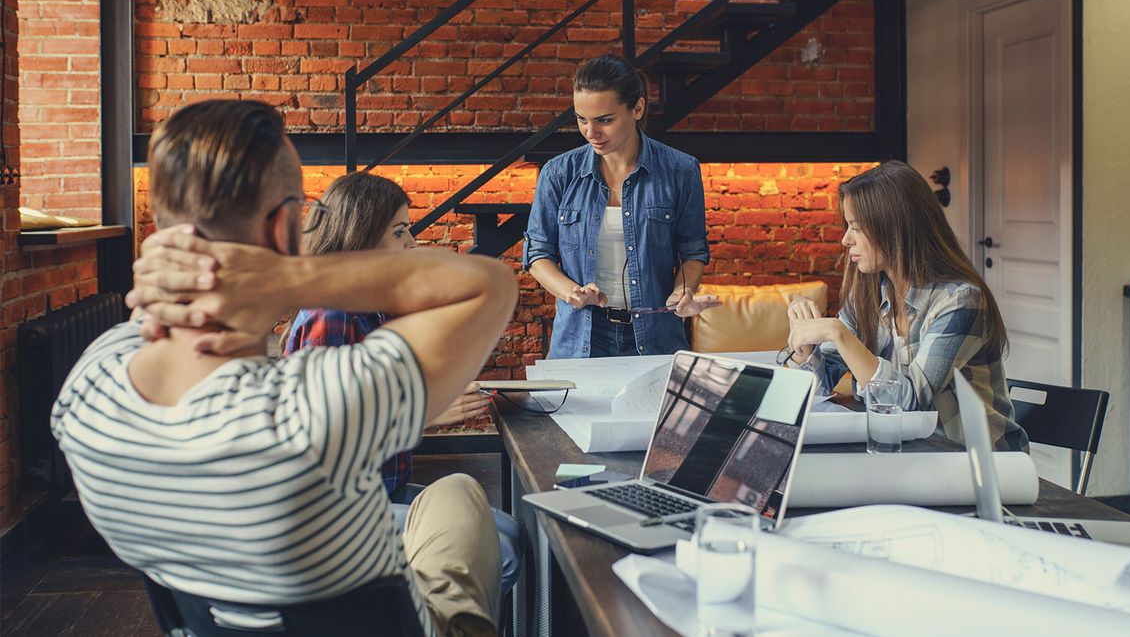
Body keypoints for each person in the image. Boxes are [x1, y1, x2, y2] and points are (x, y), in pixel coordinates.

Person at [51, 99, 518, 637]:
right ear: (283, 230)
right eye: (308, 212)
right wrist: (292, 276)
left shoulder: (89, 386)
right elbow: (488, 283)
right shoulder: (315, 409)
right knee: (461, 495)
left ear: (168, 233)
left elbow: (146, 319)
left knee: (451, 494)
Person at [281, 170, 523, 594]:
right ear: (361, 237)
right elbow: (326, 436)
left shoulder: (371, 308)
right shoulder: (333, 314)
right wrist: (426, 415)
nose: (412, 243)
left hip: (379, 492)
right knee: (499, 554)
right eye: (400, 231)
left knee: (510, 530)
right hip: (333, 512)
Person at [782, 160, 1028, 451]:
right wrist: (804, 351)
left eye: (856, 228)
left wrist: (839, 333)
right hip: (913, 456)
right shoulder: (868, 294)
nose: (845, 240)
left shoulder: (960, 302)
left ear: (895, 229)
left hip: (982, 468)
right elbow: (818, 387)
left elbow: (908, 402)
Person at [523, 54, 720, 359]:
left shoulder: (681, 171)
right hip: (581, 338)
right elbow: (538, 253)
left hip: (655, 335)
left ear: (637, 108)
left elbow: (692, 251)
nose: (591, 132)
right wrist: (570, 292)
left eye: (605, 120)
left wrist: (683, 292)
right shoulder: (558, 173)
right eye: (581, 119)